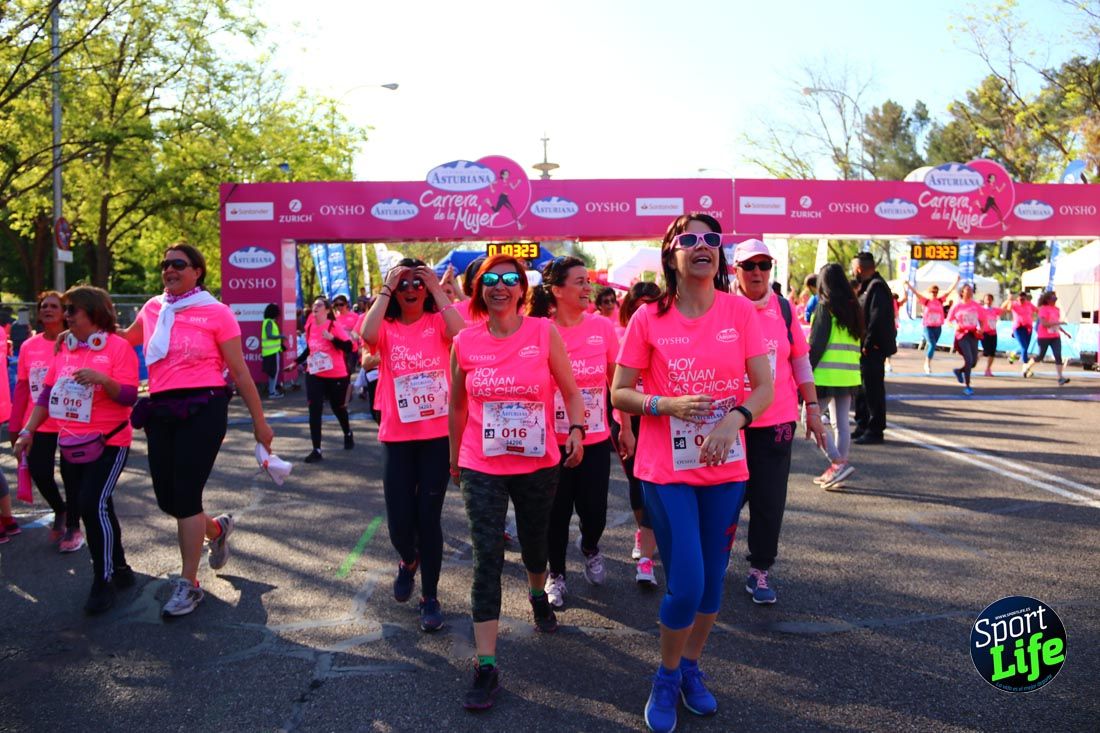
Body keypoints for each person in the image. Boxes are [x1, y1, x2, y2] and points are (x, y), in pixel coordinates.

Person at [612, 214, 772, 733]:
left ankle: (690, 669)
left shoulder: (740, 312)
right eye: (690, 240)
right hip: (666, 471)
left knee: (712, 586)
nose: (703, 246)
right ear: (672, 254)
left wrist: (735, 418)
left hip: (726, 470)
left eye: (712, 240)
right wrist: (665, 404)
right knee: (686, 580)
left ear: (719, 254)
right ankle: (665, 675)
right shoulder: (648, 319)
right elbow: (619, 392)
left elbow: (763, 386)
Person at [449, 254, 585, 711]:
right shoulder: (464, 342)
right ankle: (485, 666)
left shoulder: (543, 333)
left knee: (534, 544)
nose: (500, 286)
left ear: (521, 290)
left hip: (536, 462)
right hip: (480, 462)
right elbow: (456, 407)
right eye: (490, 280)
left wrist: (577, 430)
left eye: (510, 279)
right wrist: (454, 461)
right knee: (486, 554)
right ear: (479, 290)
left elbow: (570, 390)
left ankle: (536, 595)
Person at [122, 243, 274, 617]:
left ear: (197, 271)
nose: (169, 270)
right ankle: (217, 531)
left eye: (178, 264)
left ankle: (188, 584)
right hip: (160, 407)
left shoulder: (216, 312)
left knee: (187, 494)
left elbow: (239, 372)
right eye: (165, 264)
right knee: (168, 500)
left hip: (204, 406)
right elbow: (123, 341)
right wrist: (79, 336)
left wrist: (260, 422)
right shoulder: (153, 308)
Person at [14, 286, 138, 614]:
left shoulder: (118, 347)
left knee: (90, 503)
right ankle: (121, 567)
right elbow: (46, 395)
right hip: (72, 443)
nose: (67, 316)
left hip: (110, 441)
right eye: (65, 309)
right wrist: (28, 430)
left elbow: (129, 397)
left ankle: (104, 580)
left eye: (73, 310)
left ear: (95, 313)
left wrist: (103, 380)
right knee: (102, 506)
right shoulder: (64, 349)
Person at [361, 258, 465, 632]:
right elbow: (366, 334)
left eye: (416, 284)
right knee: (400, 526)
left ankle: (430, 597)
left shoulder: (438, 323)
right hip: (397, 436)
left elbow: (462, 332)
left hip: (436, 437)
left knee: (429, 519)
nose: (410, 289)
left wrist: (437, 286)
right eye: (403, 284)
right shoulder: (386, 328)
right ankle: (408, 560)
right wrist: (385, 287)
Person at [732, 240, 826, 605]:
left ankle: (760, 569)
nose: (757, 273)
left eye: (764, 265)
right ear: (736, 270)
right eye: (750, 266)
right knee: (725, 502)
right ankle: (714, 558)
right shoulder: (721, 307)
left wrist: (813, 409)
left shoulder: (783, 310)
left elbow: (800, 362)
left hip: (777, 420)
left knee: (769, 501)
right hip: (731, 423)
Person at [528, 256, 620, 607]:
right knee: (555, 513)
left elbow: (616, 381)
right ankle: (557, 575)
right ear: (557, 290)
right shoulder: (538, 329)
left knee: (594, 511)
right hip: (550, 442)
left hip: (595, 438)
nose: (588, 288)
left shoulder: (602, 328)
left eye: (588, 281)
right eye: (580, 282)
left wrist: (623, 427)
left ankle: (591, 546)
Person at [9, 291, 77, 548]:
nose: (48, 309)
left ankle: (72, 526)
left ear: (64, 312)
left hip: (70, 421)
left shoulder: (73, 342)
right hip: (39, 422)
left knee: (72, 475)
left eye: (54, 306)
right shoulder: (29, 345)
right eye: (44, 306)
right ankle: (61, 509)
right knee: (39, 472)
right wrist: (17, 426)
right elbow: (23, 387)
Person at [611, 281, 661, 585]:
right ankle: (644, 533)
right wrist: (626, 427)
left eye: (651, 302)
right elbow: (618, 389)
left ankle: (647, 553)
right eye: (639, 302)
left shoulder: (666, 334)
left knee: (655, 485)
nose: (645, 308)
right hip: (628, 419)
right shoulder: (619, 335)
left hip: (659, 419)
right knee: (637, 483)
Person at [808, 264, 865, 488]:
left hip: (824, 375)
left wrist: (804, 372)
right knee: (841, 424)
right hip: (849, 375)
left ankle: (837, 463)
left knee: (810, 420)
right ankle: (837, 470)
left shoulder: (825, 308)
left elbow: (816, 345)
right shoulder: (854, 308)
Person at [293, 297, 354, 463]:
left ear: (327, 310)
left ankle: (347, 432)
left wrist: (332, 338)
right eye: (313, 305)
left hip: (335, 374)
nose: (315, 307)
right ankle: (316, 449)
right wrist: (296, 362)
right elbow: (309, 348)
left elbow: (349, 347)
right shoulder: (310, 326)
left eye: (319, 305)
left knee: (337, 407)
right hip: (314, 373)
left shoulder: (334, 326)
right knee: (314, 409)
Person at [851, 252, 897, 445]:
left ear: (860, 269)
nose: (853, 272)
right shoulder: (867, 287)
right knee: (863, 389)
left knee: (873, 389)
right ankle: (862, 424)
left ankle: (875, 429)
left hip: (873, 348)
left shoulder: (877, 287)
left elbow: (876, 320)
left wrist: (868, 344)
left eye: (854, 268)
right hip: (864, 347)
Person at [905, 276, 958, 374]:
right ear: (929, 292)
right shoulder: (926, 301)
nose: (934, 293)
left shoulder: (940, 300)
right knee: (932, 344)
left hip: (938, 326)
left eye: (936, 292)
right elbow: (916, 293)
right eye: (932, 292)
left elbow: (949, 291)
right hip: (928, 326)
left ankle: (928, 358)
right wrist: (908, 285)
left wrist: (957, 280)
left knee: (933, 345)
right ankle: (927, 363)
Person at [1023, 291, 1071, 385]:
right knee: (1040, 356)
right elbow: (1044, 324)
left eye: (1056, 299)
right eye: (1053, 299)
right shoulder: (1043, 309)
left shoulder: (1057, 309)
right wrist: (1058, 323)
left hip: (1055, 336)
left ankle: (1060, 377)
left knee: (1058, 355)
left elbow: (1055, 323)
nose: (1055, 301)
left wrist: (1065, 332)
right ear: (1047, 300)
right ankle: (1027, 367)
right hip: (1044, 337)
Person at [947, 284, 982, 396]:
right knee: (968, 359)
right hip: (961, 335)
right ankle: (967, 386)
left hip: (973, 334)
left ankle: (959, 371)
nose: (969, 292)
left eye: (971, 290)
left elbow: (982, 319)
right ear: (962, 292)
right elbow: (949, 320)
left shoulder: (976, 305)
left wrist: (981, 328)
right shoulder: (957, 306)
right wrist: (954, 326)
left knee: (973, 362)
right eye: (967, 290)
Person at [1003, 291, 1037, 371]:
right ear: (1017, 298)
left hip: (1028, 328)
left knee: (1025, 347)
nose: (1021, 300)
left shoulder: (1029, 304)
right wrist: (1009, 300)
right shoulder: (1014, 304)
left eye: (1023, 298)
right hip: (1018, 328)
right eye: (1020, 298)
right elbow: (1007, 309)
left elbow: (1037, 310)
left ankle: (1013, 354)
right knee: (1024, 347)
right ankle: (1025, 367)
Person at [260, 303, 285, 399]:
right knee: (273, 373)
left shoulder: (267, 321)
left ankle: (272, 391)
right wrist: (281, 336)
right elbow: (269, 335)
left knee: (272, 373)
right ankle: (272, 392)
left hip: (270, 352)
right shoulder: (269, 322)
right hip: (272, 352)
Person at [978, 293, 1001, 377]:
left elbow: (1005, 310)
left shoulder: (994, 310)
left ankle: (988, 369)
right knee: (986, 351)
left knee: (992, 353)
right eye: (987, 299)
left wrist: (1009, 300)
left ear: (992, 300)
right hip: (984, 332)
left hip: (993, 333)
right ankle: (976, 357)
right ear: (984, 300)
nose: (988, 300)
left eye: (990, 299)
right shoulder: (981, 309)